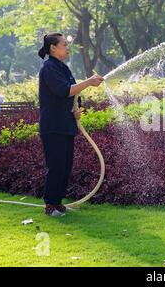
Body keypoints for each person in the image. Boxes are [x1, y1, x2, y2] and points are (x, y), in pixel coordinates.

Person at [38, 32, 104, 217]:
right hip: (53, 126)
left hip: (66, 125)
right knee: (56, 166)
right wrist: (89, 82)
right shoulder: (49, 68)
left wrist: (76, 108)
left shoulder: (63, 68)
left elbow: (74, 94)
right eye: (64, 45)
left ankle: (58, 202)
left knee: (66, 166)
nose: (67, 48)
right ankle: (50, 205)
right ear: (53, 47)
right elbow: (63, 90)